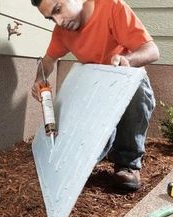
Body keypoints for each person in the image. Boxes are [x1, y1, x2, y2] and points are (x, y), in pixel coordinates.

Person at [31, 0, 159, 191]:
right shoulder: (62, 32)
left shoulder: (111, 7)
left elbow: (152, 51)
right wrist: (38, 80)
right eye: (51, 18)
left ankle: (127, 164)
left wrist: (127, 60)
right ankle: (96, 152)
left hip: (123, 79)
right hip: (95, 87)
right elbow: (48, 62)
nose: (58, 21)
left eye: (58, 10)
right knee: (88, 147)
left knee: (138, 89)